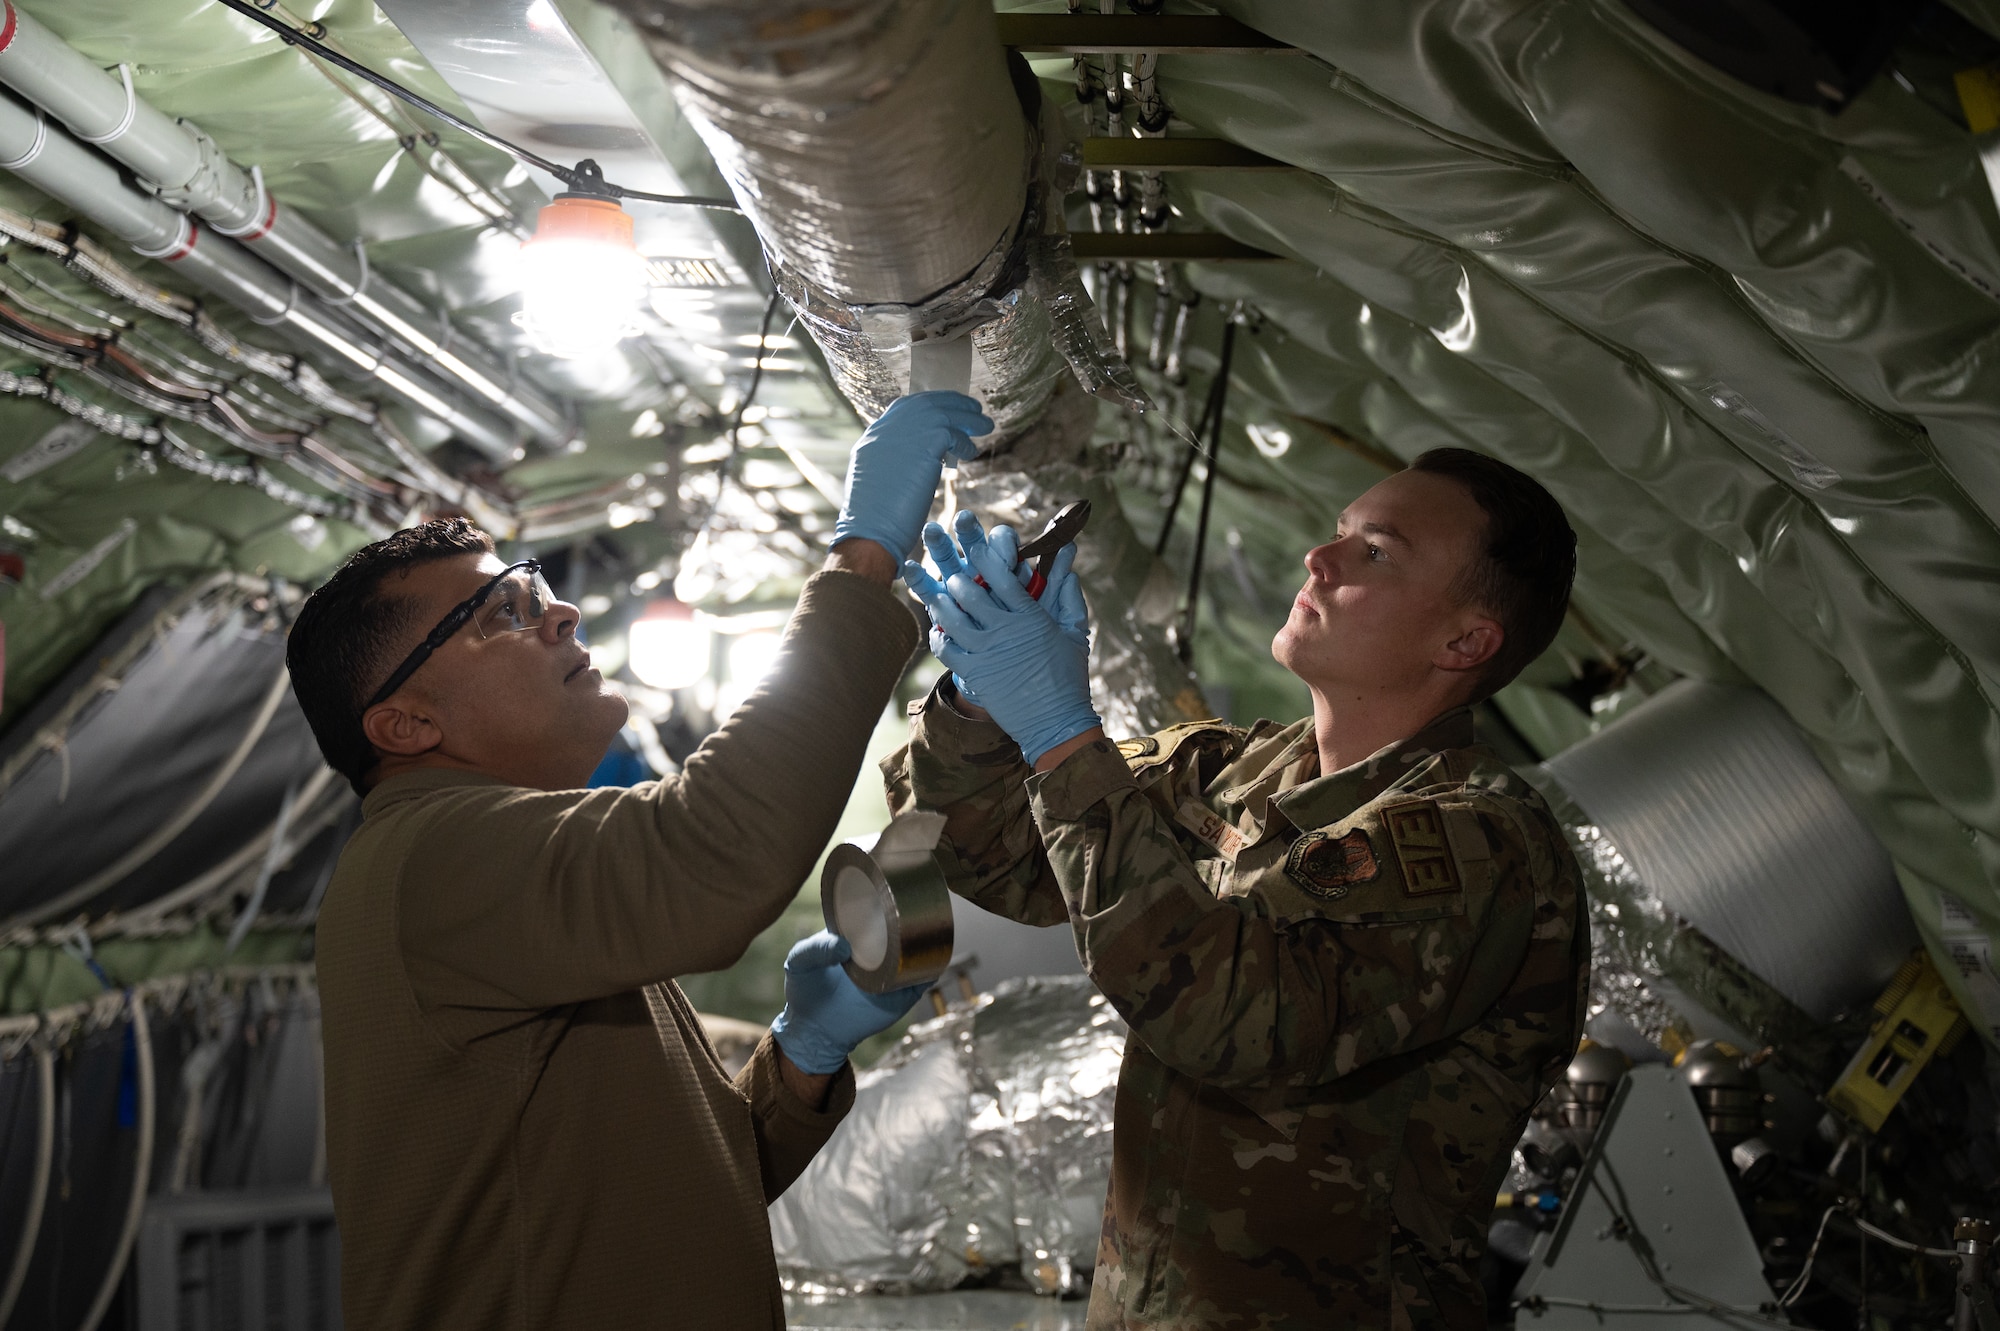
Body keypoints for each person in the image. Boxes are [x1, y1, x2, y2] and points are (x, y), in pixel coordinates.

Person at [284, 391, 993, 1330]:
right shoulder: (427, 857)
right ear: (407, 722)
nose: (563, 612)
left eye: (535, 586)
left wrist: (802, 1054)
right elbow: (712, 848)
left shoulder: (510, 868)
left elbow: (691, 1188)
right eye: (504, 610)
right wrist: (860, 563)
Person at [890, 448, 1591, 1330]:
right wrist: (982, 703)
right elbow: (993, 849)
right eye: (1336, 533)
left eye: (1373, 551)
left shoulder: (1477, 844)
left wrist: (1064, 736)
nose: (1317, 559)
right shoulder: (1237, 769)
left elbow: (1229, 1015)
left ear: (1465, 641)